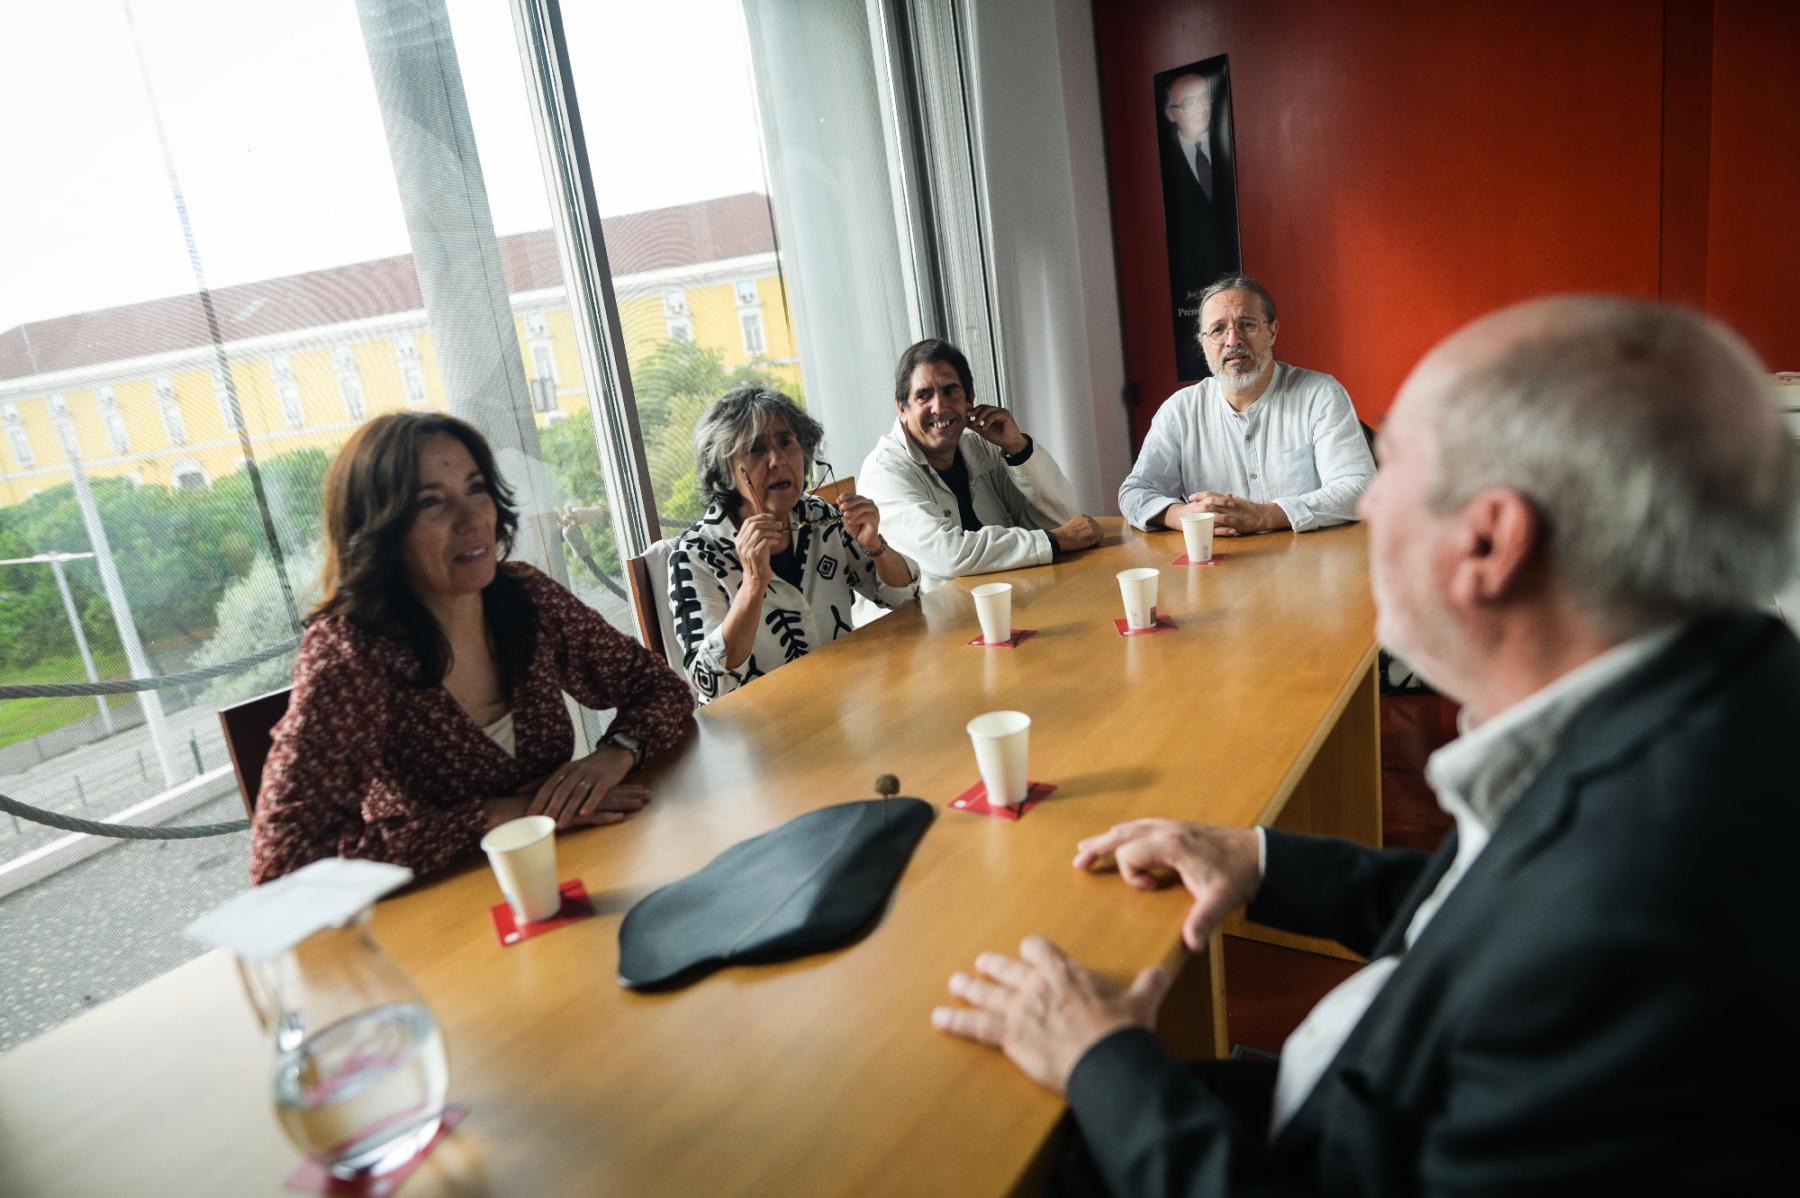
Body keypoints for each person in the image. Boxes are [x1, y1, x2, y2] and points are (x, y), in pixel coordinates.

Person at [932, 296, 1800, 1194]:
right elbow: (1475, 907)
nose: (1372, 499)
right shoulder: (1692, 703)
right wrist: (1262, 861)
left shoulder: (1631, 929)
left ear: (1491, 541)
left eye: (1397, 469)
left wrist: (1104, 1057)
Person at [250, 413, 694, 885]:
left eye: (476, 489)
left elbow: (660, 688)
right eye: (432, 502)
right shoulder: (350, 653)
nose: (473, 519)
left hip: (571, 872)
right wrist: (497, 816)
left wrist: (618, 752)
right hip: (441, 910)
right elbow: (283, 860)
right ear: (380, 529)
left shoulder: (527, 597)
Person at [668, 384, 919, 703]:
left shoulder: (818, 516)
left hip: (839, 703)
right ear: (726, 471)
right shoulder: (695, 556)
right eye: (756, 449)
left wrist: (875, 545)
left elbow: (904, 600)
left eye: (786, 442)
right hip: (757, 725)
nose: (777, 460)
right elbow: (710, 682)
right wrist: (752, 585)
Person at [1118, 278, 1374, 537]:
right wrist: (1181, 516)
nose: (1233, 340)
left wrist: (1266, 516)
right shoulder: (1180, 411)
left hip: (1309, 556)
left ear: (1272, 332)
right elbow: (1135, 492)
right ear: (1203, 342)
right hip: (1220, 559)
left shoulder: (1321, 394)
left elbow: (1359, 487)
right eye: (1217, 330)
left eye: (1247, 325)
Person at [859, 338, 1103, 591]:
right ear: (902, 408)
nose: (939, 407)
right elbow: (950, 555)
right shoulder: (884, 472)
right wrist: (1053, 541)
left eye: (950, 391)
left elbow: (1063, 519)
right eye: (924, 395)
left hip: (1004, 597)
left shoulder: (980, 447)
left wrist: (1018, 449)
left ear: (970, 398)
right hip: (928, 612)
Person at [1159, 70, 1241, 381]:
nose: (1201, 108)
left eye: (1204, 99)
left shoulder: (1231, 147)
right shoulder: (1163, 168)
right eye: (1188, 103)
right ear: (1170, 113)